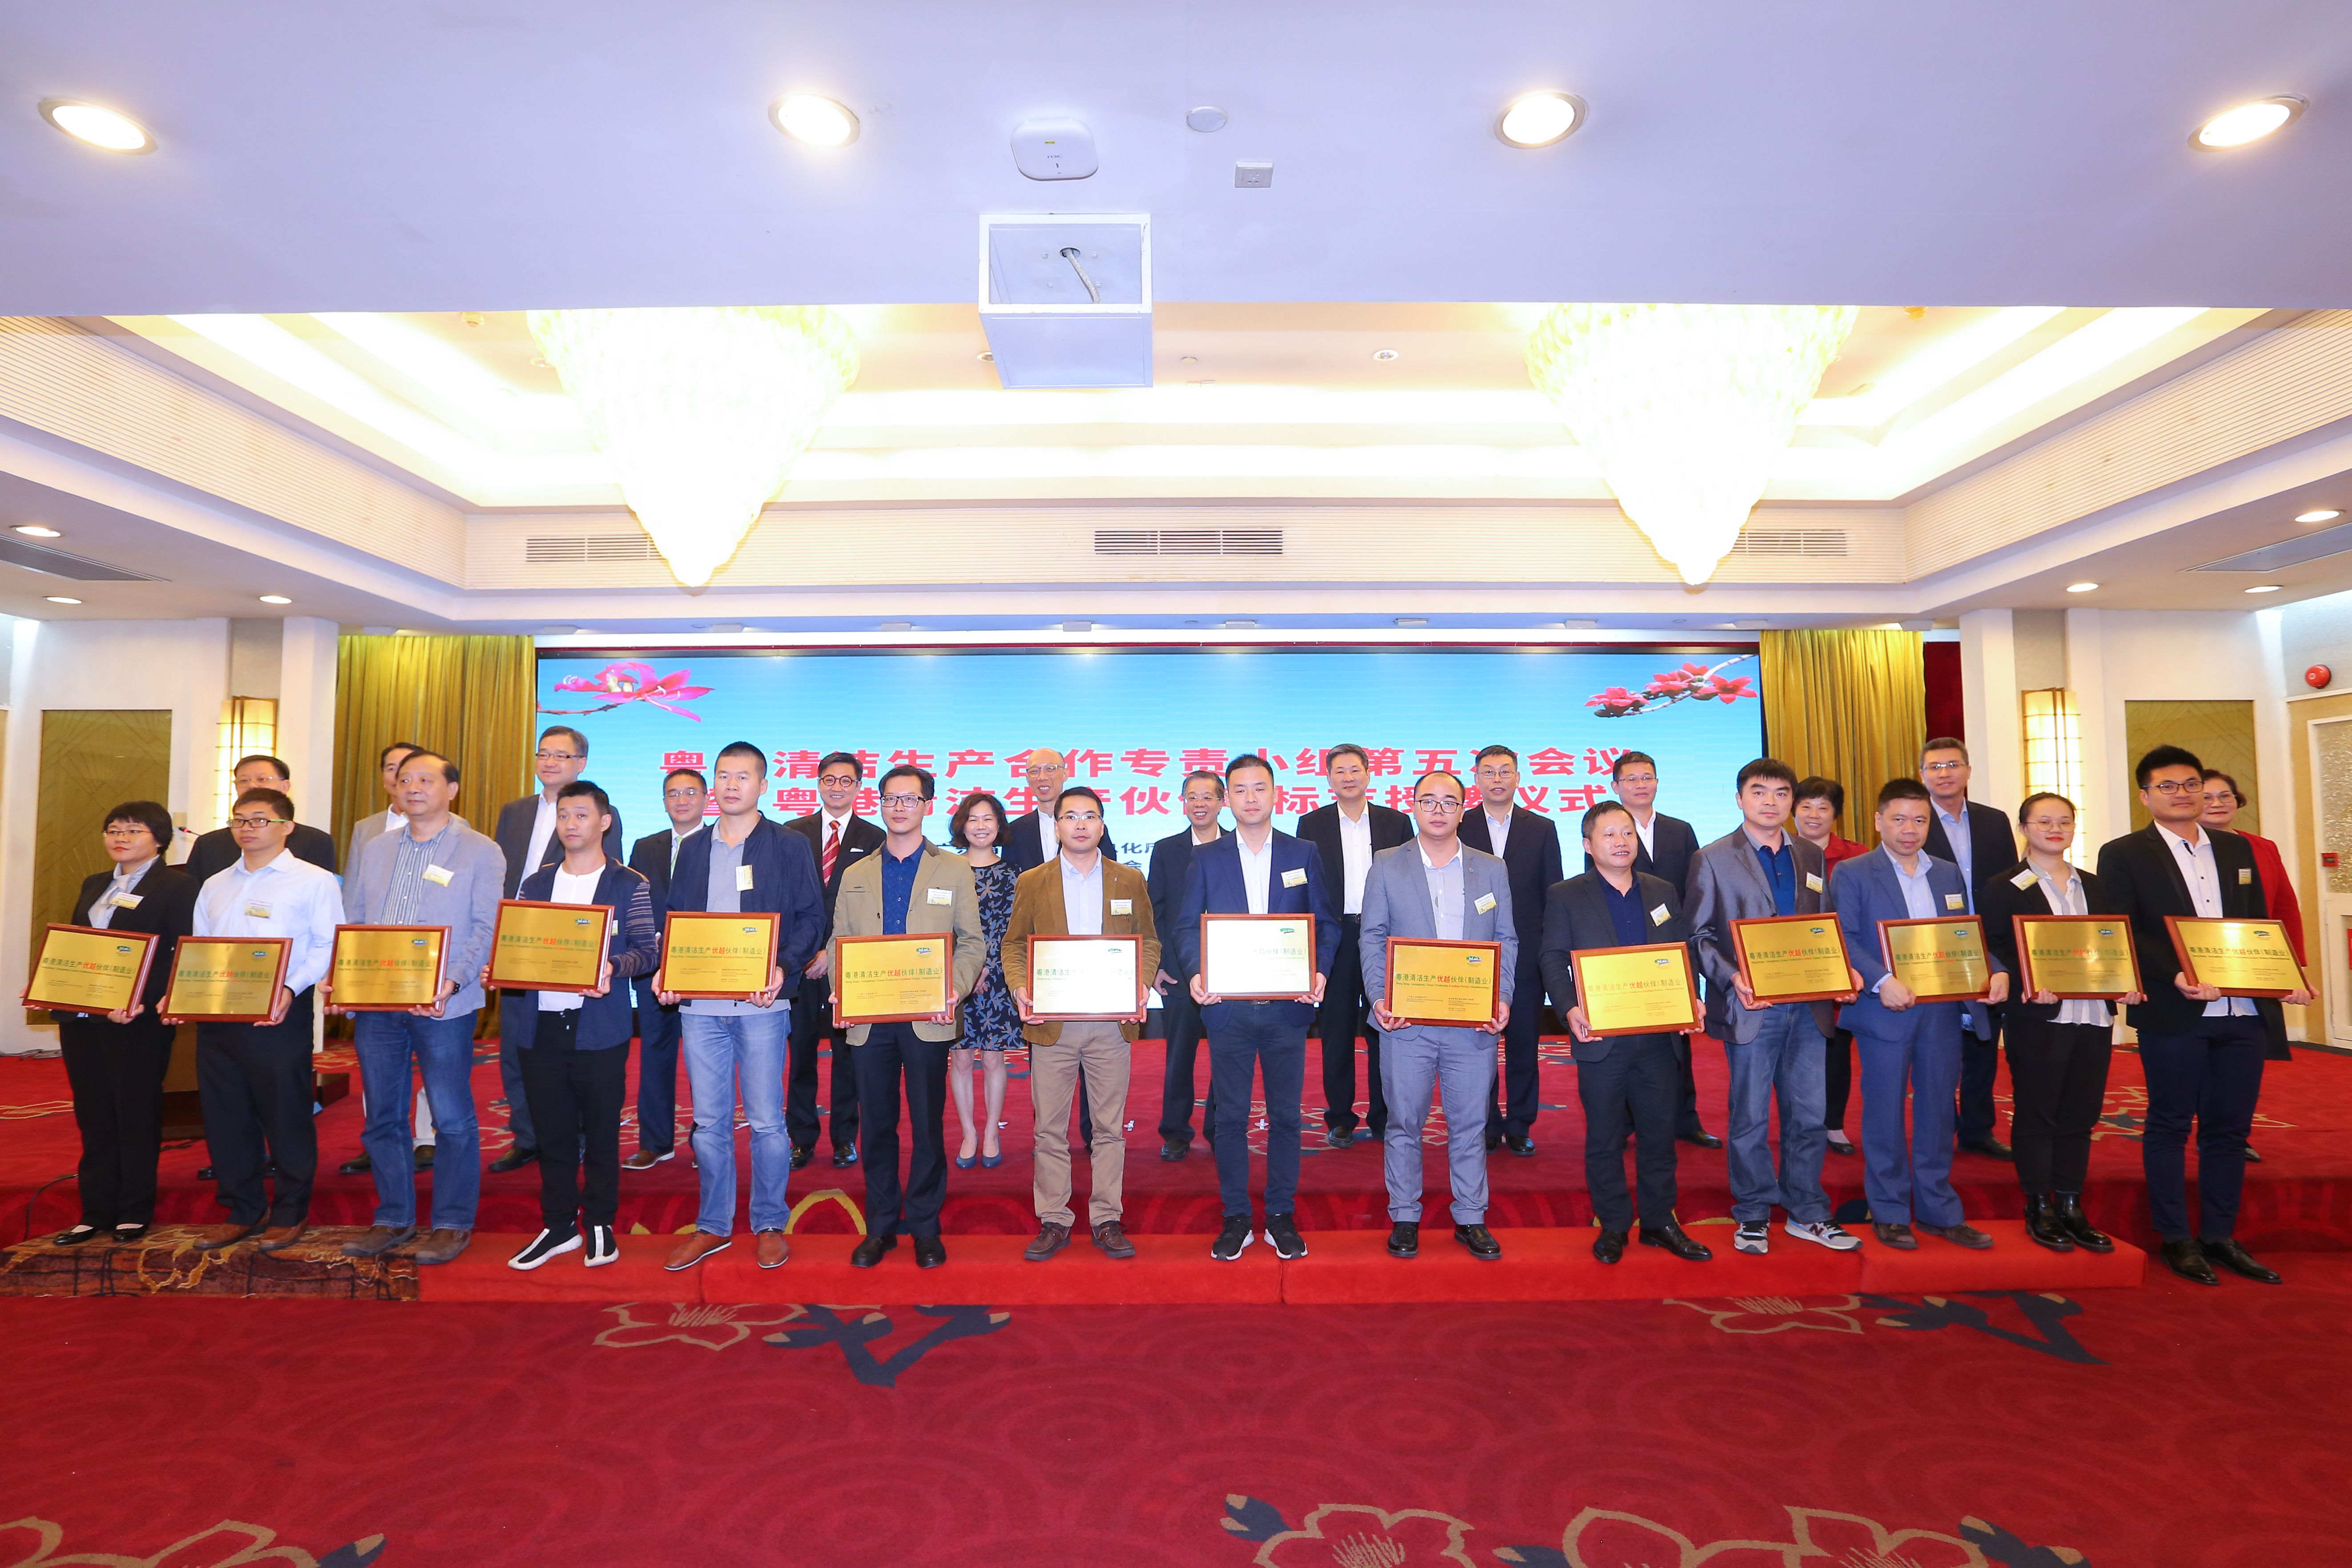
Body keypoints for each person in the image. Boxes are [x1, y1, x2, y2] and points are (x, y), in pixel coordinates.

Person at [2095, 745, 2308, 1287]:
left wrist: (2282, 976)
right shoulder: (2123, 853)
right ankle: (2175, 1237)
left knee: (2229, 1130)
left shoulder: (2237, 848)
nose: (2183, 793)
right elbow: (2122, 928)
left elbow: (2254, 924)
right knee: (2168, 1123)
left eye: (2190, 783)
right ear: (2145, 796)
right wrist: (2172, 975)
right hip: (2175, 1010)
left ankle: (2219, 1234)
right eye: (2168, 786)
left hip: (2241, 1010)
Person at [656, 742, 826, 1273]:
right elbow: (678, 917)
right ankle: (713, 1225)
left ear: (763, 784)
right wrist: (667, 968)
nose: (732, 785)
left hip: (762, 1003)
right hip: (700, 1006)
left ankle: (770, 1221)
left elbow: (809, 917)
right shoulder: (694, 846)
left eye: (743, 776)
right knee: (708, 1123)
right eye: (723, 776)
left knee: (767, 1122)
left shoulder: (789, 844)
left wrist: (783, 968)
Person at [333, 750, 504, 1267]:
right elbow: (356, 916)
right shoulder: (376, 846)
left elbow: (486, 925)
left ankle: (452, 1222)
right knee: (383, 1115)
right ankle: (393, 1216)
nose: (412, 787)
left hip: (444, 1005)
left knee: (452, 1117)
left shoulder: (480, 850)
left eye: (426, 779)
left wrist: (451, 980)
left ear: (452, 789)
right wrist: (345, 972)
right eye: (404, 779)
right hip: (378, 1001)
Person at [1688, 758, 1862, 1255]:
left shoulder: (1809, 854)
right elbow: (1697, 935)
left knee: (1808, 1113)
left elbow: (1823, 923)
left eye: (1781, 793)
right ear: (1739, 798)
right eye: (1759, 792)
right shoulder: (1713, 857)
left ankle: (1807, 1209)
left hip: (1808, 1005)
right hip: (1751, 1007)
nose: (1771, 801)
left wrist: (1842, 968)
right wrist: (1731, 977)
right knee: (1748, 1117)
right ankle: (1753, 1211)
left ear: (1791, 801)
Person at [1829, 777, 2010, 1251]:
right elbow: (1844, 937)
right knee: (1885, 1113)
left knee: (1935, 1111)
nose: (1909, 829)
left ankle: (1938, 1209)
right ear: (1877, 821)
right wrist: (1880, 980)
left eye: (1919, 819)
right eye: (1899, 819)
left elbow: (1962, 934)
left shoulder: (1947, 873)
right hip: (1883, 1009)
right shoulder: (1852, 872)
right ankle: (1888, 1210)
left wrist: (1995, 970)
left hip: (1941, 1010)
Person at [1175, 753, 1338, 1262]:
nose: (1250, 798)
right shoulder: (1207, 857)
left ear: (1275, 794)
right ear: (1228, 797)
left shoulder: (1303, 851)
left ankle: (1281, 1214)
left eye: (1259, 788)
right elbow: (1186, 925)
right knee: (1230, 1119)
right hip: (1227, 1009)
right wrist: (1196, 972)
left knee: (1288, 1116)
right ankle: (1237, 1216)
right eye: (1240, 789)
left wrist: (1320, 972)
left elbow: (1326, 924)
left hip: (1287, 1009)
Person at [1543, 799, 1712, 1264]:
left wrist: (1690, 996)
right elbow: (1553, 958)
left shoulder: (1661, 890)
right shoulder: (1566, 894)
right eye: (1609, 834)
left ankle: (1659, 1221)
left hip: (1658, 1039)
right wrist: (1569, 1007)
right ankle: (1614, 1224)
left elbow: (1681, 952)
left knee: (1659, 1136)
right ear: (1587, 844)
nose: (1621, 841)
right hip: (1601, 1038)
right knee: (1604, 1137)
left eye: (1628, 833)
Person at [830, 765, 983, 1270]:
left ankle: (923, 1225)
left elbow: (972, 942)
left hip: (928, 1016)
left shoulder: (954, 869)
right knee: (875, 1125)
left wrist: (954, 988)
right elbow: (839, 944)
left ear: (927, 805)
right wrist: (840, 989)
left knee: (925, 1124)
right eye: (890, 798)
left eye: (909, 799)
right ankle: (880, 1226)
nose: (899, 807)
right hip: (869, 1019)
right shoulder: (854, 873)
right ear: (879, 803)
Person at [173, 786, 340, 1252]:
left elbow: (328, 945)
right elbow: (200, 947)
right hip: (219, 1015)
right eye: (240, 819)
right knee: (226, 1114)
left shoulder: (314, 880)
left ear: (287, 826)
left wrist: (289, 988)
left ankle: (290, 1210)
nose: (247, 828)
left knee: (285, 1113)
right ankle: (243, 1207)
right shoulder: (215, 883)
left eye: (260, 819)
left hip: (279, 1015)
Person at [1358, 770, 1513, 1261]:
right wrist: (1379, 997)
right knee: (1405, 1121)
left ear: (1463, 810)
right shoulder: (1386, 864)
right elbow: (1372, 934)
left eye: (1449, 801)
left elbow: (1506, 938)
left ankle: (1471, 1216)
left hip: (1472, 1021)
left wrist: (1501, 996)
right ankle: (1405, 1214)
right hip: (1407, 1021)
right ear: (1414, 807)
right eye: (1430, 800)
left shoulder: (1491, 868)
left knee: (1470, 1121)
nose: (1439, 809)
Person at [506, 782, 660, 1270]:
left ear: (604, 821)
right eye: (564, 815)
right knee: (550, 1129)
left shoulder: (628, 882)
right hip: (541, 1025)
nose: (571, 824)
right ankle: (557, 1226)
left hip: (599, 1027)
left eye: (581, 814)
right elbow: (519, 943)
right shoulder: (536, 883)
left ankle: (598, 1219)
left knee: (599, 1129)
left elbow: (648, 950)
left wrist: (612, 966)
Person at [1003, 785, 1160, 1261]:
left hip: (1111, 1023)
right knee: (1049, 1128)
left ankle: (1106, 1217)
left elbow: (1147, 942)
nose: (1080, 824)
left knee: (1109, 1127)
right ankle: (1054, 1218)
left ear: (1103, 825)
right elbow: (1013, 946)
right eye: (1070, 816)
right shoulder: (1033, 880)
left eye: (1089, 816)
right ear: (1058, 826)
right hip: (1054, 1023)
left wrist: (1141, 985)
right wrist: (1020, 989)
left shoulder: (1128, 879)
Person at [1980, 792, 2136, 1254]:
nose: (2054, 828)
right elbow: (1995, 946)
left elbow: (2113, 942)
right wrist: (2024, 978)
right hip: (2039, 1013)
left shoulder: (2095, 884)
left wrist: (2125, 980)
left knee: (2081, 1113)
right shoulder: (2004, 885)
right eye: (2043, 821)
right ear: (2024, 829)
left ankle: (2071, 1203)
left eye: (2063, 821)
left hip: (2092, 1014)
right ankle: (2039, 1205)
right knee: (2038, 1109)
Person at [40, 801, 196, 1245]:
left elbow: (178, 952)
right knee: (94, 1113)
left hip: (136, 1019)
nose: (120, 837)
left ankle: (133, 1208)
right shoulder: (95, 884)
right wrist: (52, 983)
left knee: (134, 1112)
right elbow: (77, 946)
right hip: (85, 1018)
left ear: (160, 839)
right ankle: (96, 1209)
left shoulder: (178, 885)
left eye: (133, 829)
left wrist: (143, 1002)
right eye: (113, 829)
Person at [491, 725, 623, 1175]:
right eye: (543, 753)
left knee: (579, 1056)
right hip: (523, 950)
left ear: (581, 763)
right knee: (517, 1047)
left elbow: (610, 889)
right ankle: (528, 1136)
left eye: (561, 756)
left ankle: (579, 1137)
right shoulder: (515, 811)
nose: (549, 762)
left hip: (573, 949)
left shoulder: (602, 812)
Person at [1591, 750, 1715, 1149]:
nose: (1640, 784)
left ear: (1658, 783)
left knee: (1677, 1038)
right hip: (1622, 952)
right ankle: (1628, 1122)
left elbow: (1697, 888)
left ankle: (1686, 1118)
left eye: (1647, 777)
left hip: (1672, 947)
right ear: (1616, 786)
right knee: (1627, 1038)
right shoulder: (1605, 832)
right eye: (1631, 779)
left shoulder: (1681, 830)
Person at [1295, 743, 1413, 1150]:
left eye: (1355, 770)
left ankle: (1384, 1113)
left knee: (1388, 1028)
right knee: (1337, 1028)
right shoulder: (1312, 824)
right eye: (1339, 771)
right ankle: (1340, 1116)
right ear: (1329, 778)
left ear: (1369, 775)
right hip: (1337, 935)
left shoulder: (1396, 822)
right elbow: (1304, 885)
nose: (1348, 777)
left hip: (1386, 935)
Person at [1457, 743, 1562, 1155]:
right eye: (1489, 772)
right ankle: (1485, 1121)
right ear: (1477, 779)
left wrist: (1550, 950)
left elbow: (1552, 892)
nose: (1497, 779)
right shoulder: (1459, 825)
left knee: (1523, 1042)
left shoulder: (1542, 828)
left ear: (1518, 777)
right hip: (1472, 952)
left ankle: (1520, 1123)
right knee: (1476, 1044)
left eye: (1505, 771)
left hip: (1527, 951)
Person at [1919, 737, 2020, 1160]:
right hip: (1936, 945)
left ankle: (1978, 1129)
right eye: (1935, 766)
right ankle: (1940, 1126)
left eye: (1953, 764)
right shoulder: (1914, 820)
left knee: (1984, 1041)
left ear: (1968, 771)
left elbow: (2011, 882)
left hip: (1989, 947)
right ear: (1923, 775)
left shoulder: (1994, 821)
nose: (1945, 773)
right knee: (1940, 1044)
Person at [784, 751, 883, 1170]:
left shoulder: (876, 836)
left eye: (847, 780)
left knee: (848, 1054)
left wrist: (835, 950)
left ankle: (845, 1137)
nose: (837, 787)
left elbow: (875, 906)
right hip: (801, 963)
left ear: (859, 787)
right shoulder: (791, 833)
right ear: (818, 784)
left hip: (850, 961)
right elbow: (784, 900)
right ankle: (802, 1137)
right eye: (829, 779)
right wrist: (806, 953)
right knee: (801, 1051)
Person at [337, 740, 429, 1179]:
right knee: (377, 1061)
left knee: (433, 1056)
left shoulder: (457, 829)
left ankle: (428, 1137)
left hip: (425, 962)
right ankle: (380, 1139)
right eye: (393, 769)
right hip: (377, 963)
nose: (401, 778)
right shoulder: (367, 828)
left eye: (411, 771)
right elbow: (353, 895)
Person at [623, 766, 706, 1170]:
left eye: (691, 792)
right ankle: (656, 1142)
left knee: (705, 1057)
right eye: (673, 793)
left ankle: (705, 1139)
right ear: (664, 801)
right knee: (654, 1054)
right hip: (653, 968)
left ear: (706, 799)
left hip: (705, 967)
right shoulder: (646, 846)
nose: (682, 799)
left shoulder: (721, 843)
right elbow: (633, 902)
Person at [1148, 769, 1225, 1161]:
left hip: (1232, 970)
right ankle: (1176, 1130)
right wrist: (1158, 964)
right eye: (1192, 796)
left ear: (1222, 801)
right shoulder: (1166, 850)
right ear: (1182, 803)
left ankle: (1218, 1127)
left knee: (1227, 1055)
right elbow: (1154, 911)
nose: (1200, 803)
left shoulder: (1240, 845)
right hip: (1180, 969)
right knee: (1180, 1054)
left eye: (1208, 796)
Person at [1795, 776, 1869, 1159]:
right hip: (1795, 966)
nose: (1813, 814)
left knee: (1836, 1047)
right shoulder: (1780, 852)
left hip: (1843, 965)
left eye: (1823, 807)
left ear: (1835, 815)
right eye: (1806, 806)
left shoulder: (1858, 855)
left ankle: (1834, 1123)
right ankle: (1799, 1122)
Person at [948, 791, 1019, 1169]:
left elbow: (1014, 929)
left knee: (994, 1059)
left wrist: (986, 966)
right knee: (958, 1060)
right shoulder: (945, 869)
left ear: (998, 825)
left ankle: (991, 1131)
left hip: (996, 979)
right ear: (961, 825)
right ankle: (968, 1133)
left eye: (988, 819)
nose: (980, 826)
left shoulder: (1014, 873)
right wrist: (963, 971)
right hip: (956, 979)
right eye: (973, 819)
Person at [183, 756, 339, 883]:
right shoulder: (209, 845)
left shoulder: (316, 842)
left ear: (285, 787)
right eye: (244, 781)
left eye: (262, 780)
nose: (252, 786)